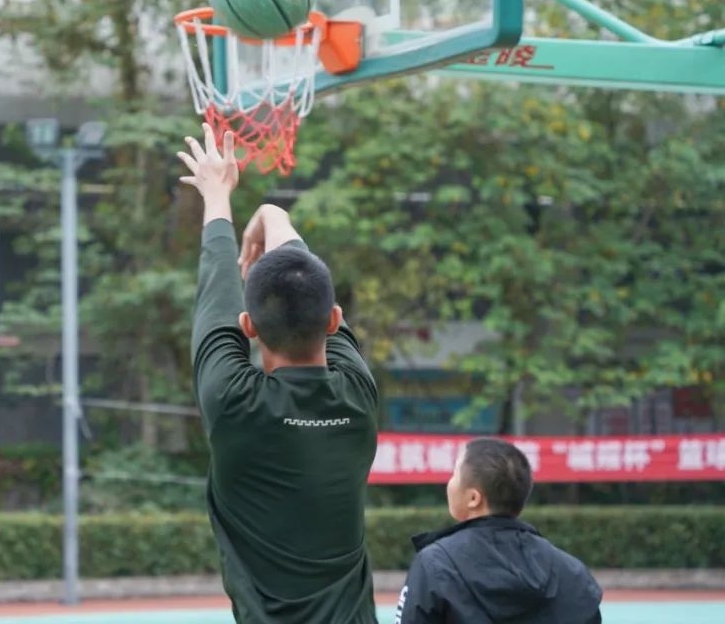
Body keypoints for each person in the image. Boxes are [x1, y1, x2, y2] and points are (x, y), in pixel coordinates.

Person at [177, 123, 381, 624]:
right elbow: (302, 278)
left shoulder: (233, 402)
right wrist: (273, 215)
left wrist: (218, 194)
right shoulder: (357, 396)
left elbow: (217, 292)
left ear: (248, 327)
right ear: (334, 320)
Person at [394, 437, 602, 624]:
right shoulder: (572, 571)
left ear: (474, 498)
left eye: (454, 474)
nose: (448, 484)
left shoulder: (435, 563)